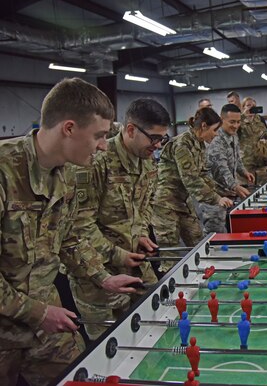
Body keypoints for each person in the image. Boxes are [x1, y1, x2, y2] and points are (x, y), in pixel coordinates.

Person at [0, 78, 141, 385]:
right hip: (11, 326)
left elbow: (68, 238)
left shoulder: (66, 174)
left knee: (82, 376)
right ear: (69, 128)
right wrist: (37, 312)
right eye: (99, 136)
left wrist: (102, 276)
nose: (104, 145)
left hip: (46, 323)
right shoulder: (4, 171)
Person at [69, 99, 169, 340]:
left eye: (162, 139)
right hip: (97, 271)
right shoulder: (96, 162)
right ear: (131, 130)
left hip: (134, 260)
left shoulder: (147, 161)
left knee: (158, 319)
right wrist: (116, 254)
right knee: (112, 345)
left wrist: (142, 234)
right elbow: (78, 225)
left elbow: (144, 207)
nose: (157, 145)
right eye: (154, 138)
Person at [152, 108, 233, 272]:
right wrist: (216, 199)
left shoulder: (199, 144)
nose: (216, 134)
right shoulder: (182, 144)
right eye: (215, 130)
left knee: (198, 244)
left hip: (183, 202)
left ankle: (204, 280)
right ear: (204, 126)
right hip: (165, 204)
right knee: (170, 255)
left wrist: (219, 193)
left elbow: (203, 174)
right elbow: (191, 179)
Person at [200, 104, 254, 234]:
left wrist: (243, 171)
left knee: (230, 230)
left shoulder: (233, 135)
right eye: (232, 122)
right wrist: (235, 186)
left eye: (238, 122)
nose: (235, 126)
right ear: (221, 120)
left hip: (228, 194)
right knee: (215, 235)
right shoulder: (216, 139)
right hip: (214, 195)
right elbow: (221, 167)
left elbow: (236, 158)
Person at [238, 97, 267, 185]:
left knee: (263, 189)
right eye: (248, 105)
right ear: (243, 107)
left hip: (261, 163)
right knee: (247, 192)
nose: (251, 108)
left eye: (253, 106)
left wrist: (266, 146)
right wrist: (243, 116)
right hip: (246, 164)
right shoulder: (238, 121)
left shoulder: (260, 120)